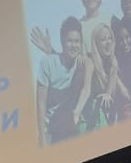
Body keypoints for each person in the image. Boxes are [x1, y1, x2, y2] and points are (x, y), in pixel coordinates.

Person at [35, 16, 92, 145]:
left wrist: (76, 113)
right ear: (62, 41)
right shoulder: (47, 63)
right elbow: (40, 103)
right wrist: (42, 138)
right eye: (69, 41)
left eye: (77, 41)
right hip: (49, 132)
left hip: (69, 129)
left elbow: (86, 89)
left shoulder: (82, 64)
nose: (74, 45)